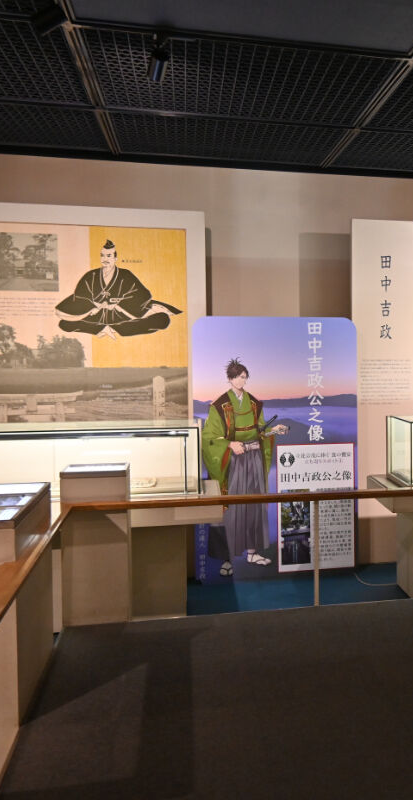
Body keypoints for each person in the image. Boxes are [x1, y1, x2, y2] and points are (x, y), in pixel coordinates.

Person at [202, 358, 287, 575]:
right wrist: (229, 444)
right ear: (230, 379)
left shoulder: (254, 404)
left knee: (254, 504)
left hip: (254, 458)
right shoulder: (220, 405)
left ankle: (252, 552)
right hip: (232, 461)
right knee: (231, 507)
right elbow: (209, 438)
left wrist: (273, 430)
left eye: (244, 377)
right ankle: (227, 559)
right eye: (239, 377)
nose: (242, 380)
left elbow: (260, 431)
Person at [54, 239, 182, 338]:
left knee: (162, 320)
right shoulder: (90, 275)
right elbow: (80, 297)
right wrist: (94, 305)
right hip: (96, 315)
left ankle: (114, 328)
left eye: (109, 256)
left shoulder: (126, 275)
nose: (105, 259)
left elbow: (142, 295)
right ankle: (104, 328)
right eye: (102, 256)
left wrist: (118, 304)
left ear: (115, 258)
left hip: (120, 314)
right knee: (64, 324)